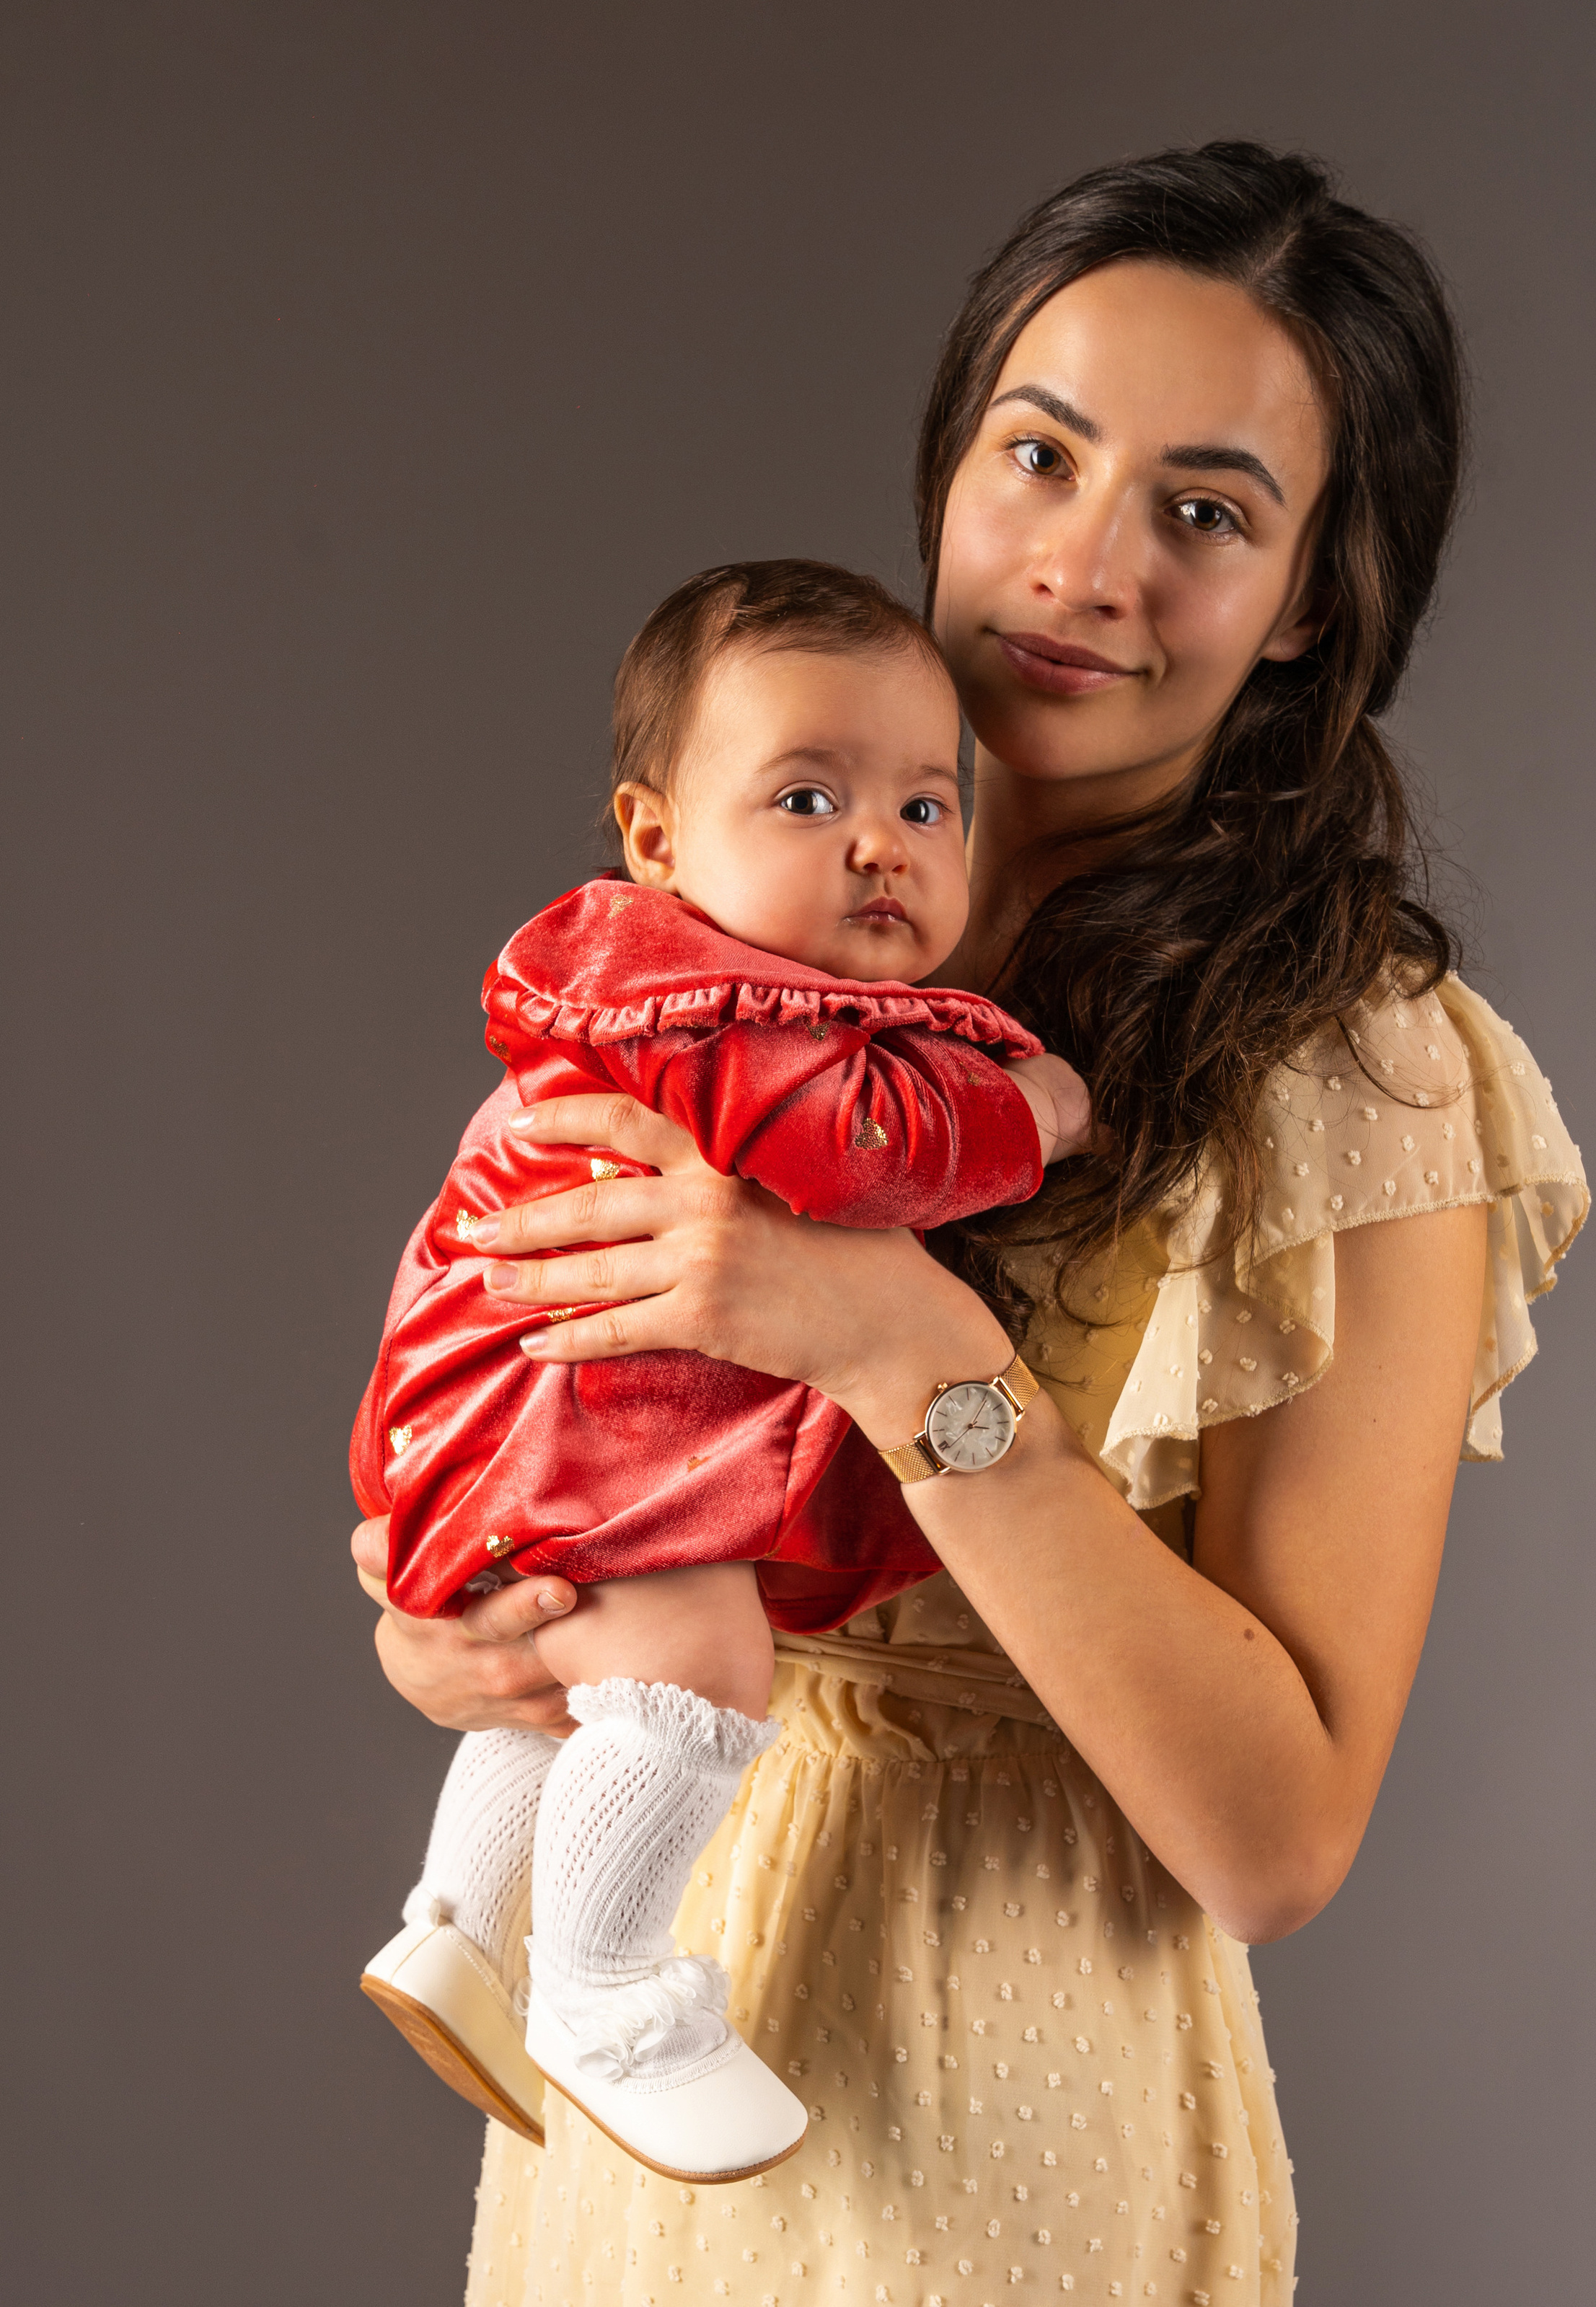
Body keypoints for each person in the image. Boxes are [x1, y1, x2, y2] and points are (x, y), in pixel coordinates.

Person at [351, 141, 1589, 2302]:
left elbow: (1280, 1837)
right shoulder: (741, 924)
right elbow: (540, 1403)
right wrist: (455, 1634)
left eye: (1203, 513)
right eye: (1042, 454)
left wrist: (896, 1339)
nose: (1085, 565)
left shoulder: (1366, 1065)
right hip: (643, 2044)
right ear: (950, 460)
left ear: (1308, 599)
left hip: (1008, 2094)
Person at [353, 561, 1090, 2181]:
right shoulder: (705, 1000)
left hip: (530, 1415)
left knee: (563, 1698)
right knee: (690, 1663)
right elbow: (857, 1151)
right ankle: (603, 1989)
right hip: (580, 1418)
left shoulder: (688, 980)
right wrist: (1029, 1114)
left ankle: (466, 1928)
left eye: (924, 800)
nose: (877, 842)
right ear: (655, 837)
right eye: (808, 795)